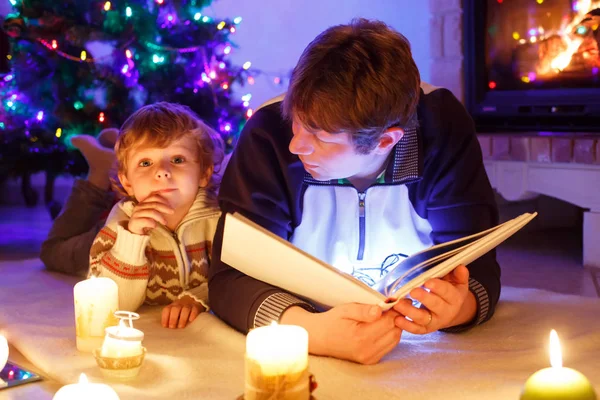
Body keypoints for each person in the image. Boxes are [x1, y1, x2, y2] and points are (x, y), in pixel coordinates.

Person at [209, 19, 500, 364]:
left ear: (385, 141)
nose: (295, 145)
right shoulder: (268, 135)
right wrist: (309, 332)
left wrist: (458, 308)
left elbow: (478, 265)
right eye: (297, 121)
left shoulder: (442, 128)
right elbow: (228, 275)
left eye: (320, 136)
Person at [89, 102, 224, 329]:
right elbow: (111, 305)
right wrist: (131, 239)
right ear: (127, 182)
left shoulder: (219, 218)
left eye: (177, 159)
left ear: (204, 173)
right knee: (57, 251)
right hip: (91, 245)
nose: (162, 171)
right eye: (145, 163)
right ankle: (97, 168)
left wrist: (200, 296)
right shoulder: (120, 224)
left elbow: (236, 278)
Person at [40, 128, 119, 277]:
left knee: (52, 250)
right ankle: (106, 168)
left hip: (120, 228)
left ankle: (101, 172)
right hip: (120, 222)